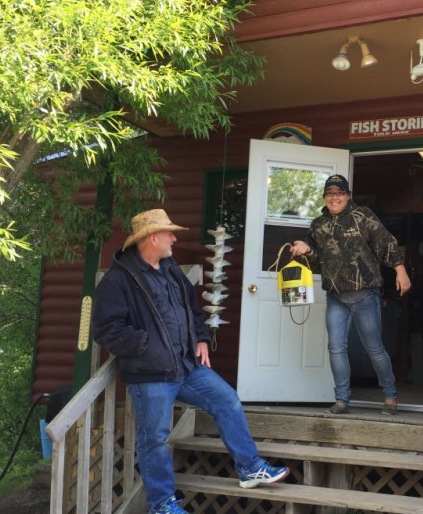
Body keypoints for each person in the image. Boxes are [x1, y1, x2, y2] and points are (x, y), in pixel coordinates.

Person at [92, 209, 289, 514]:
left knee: (227, 400)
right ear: (151, 238)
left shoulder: (170, 269)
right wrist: (147, 345)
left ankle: (250, 469)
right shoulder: (118, 281)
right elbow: (106, 330)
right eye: (169, 233)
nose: (173, 238)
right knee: (154, 439)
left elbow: (192, 309)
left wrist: (200, 337)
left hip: (186, 366)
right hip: (151, 373)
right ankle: (162, 504)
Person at [289, 174, 411, 416]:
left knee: (374, 348)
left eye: (340, 193)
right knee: (335, 348)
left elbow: (386, 243)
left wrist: (400, 270)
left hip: (364, 295)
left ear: (347, 196)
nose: (335, 197)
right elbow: (317, 265)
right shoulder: (318, 225)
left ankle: (390, 396)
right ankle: (342, 400)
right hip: (336, 297)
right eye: (330, 193)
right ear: (325, 197)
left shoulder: (362, 216)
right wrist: (306, 251)